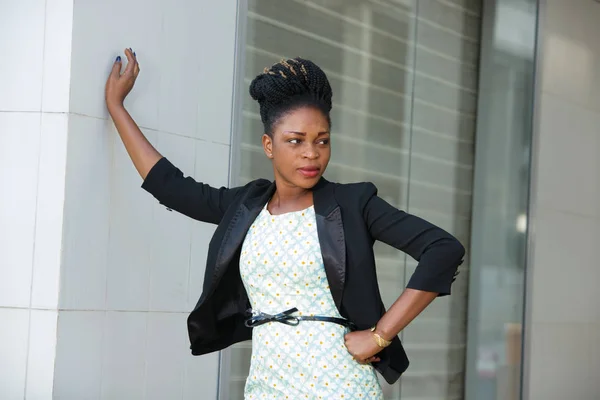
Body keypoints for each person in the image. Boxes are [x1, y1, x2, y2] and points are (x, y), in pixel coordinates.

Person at [105, 48, 465, 399]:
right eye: (295, 141)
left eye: (321, 141)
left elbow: (442, 249)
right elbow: (173, 188)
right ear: (268, 144)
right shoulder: (245, 207)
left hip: (339, 386)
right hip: (267, 385)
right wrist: (117, 108)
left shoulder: (353, 204)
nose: (311, 153)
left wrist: (380, 335)